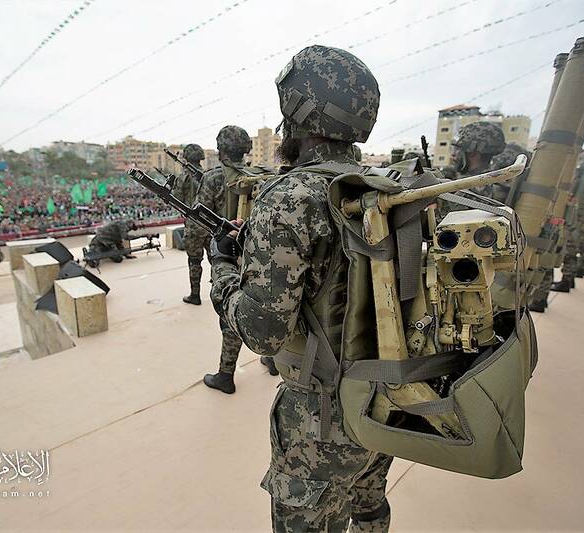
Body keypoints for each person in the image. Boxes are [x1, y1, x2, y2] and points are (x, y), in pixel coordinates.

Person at [210, 45, 392, 531]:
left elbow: (263, 334)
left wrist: (224, 270)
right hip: (390, 400)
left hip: (323, 420)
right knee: (369, 506)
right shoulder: (383, 188)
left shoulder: (290, 198)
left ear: (297, 113)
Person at [200, 125, 276, 395]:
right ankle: (270, 357)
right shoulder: (260, 176)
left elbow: (201, 220)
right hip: (262, 255)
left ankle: (226, 374)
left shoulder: (212, 179)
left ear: (220, 149)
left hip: (230, 256)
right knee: (267, 306)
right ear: (246, 149)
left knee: (230, 313)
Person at [174, 143, 208, 305]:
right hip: (210, 224)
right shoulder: (208, 175)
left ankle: (195, 295)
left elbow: (176, 199)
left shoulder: (184, 176)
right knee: (217, 260)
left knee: (194, 261)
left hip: (194, 225)